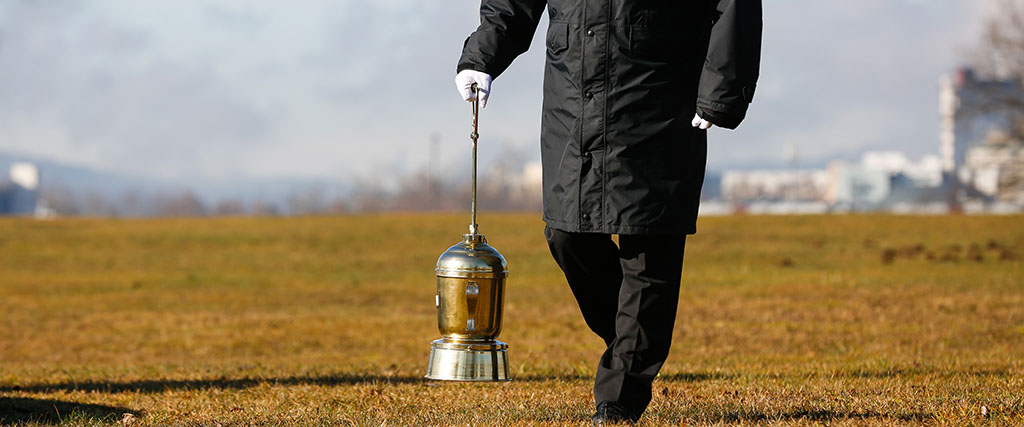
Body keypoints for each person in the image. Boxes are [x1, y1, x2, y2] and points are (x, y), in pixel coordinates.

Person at [455, 1, 761, 424]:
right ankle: (632, 341)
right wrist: (482, 56)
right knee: (566, 234)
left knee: (649, 247)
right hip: (573, 102)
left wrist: (722, 90)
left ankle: (619, 399)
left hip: (659, 95)